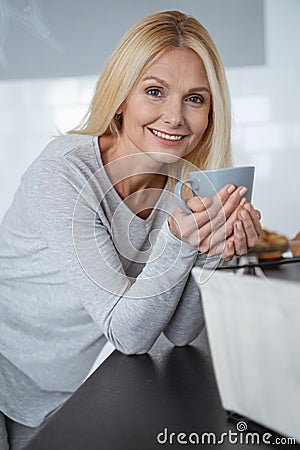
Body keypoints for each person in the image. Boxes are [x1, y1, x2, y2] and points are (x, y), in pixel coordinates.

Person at [0, 10, 261, 449]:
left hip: (78, 388)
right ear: (120, 97)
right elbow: (131, 335)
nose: (175, 117)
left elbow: (179, 331)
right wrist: (180, 243)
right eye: (155, 92)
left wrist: (214, 248)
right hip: (13, 383)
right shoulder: (63, 174)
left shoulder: (184, 182)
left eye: (195, 99)